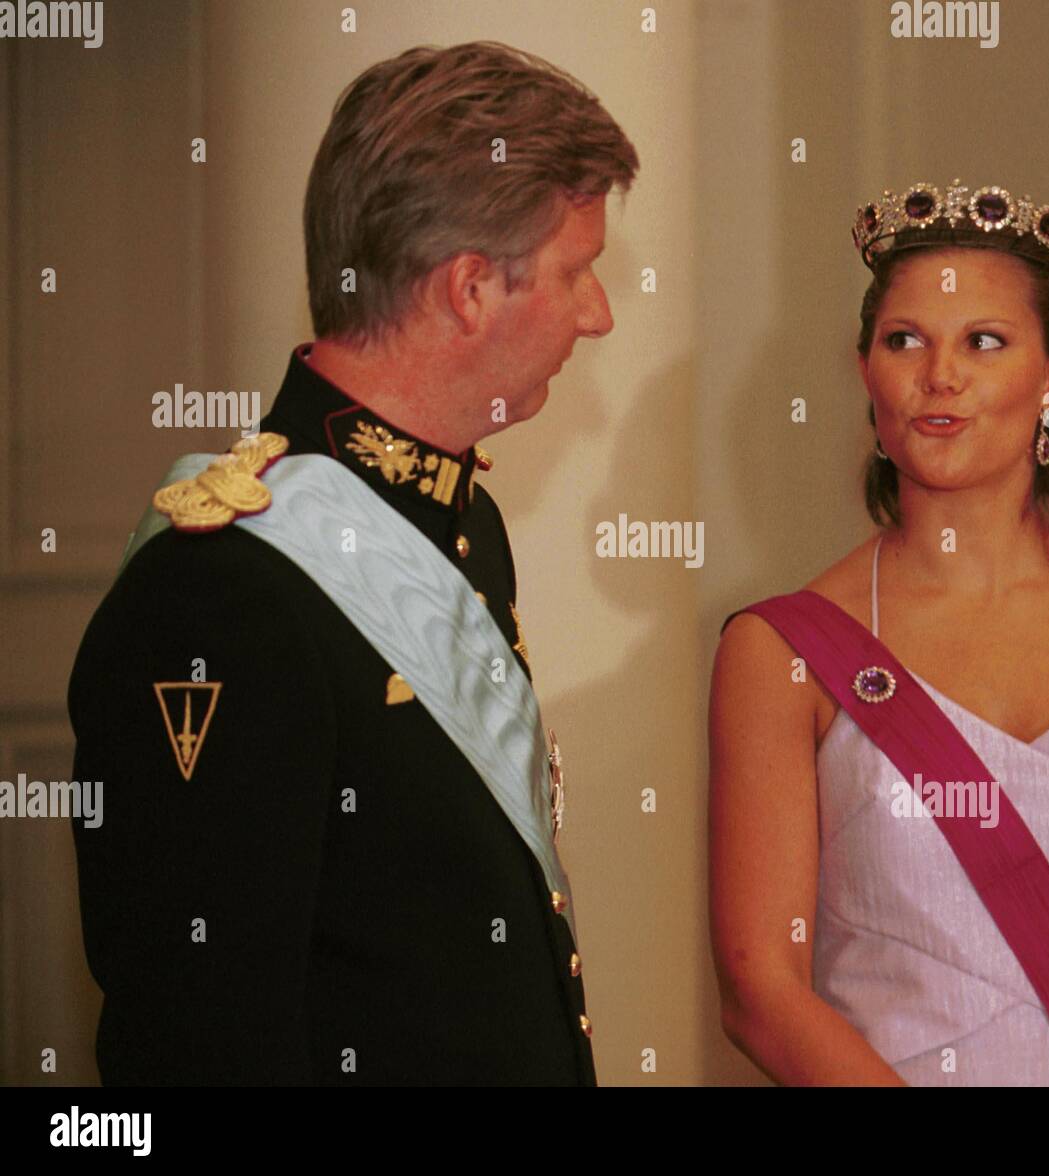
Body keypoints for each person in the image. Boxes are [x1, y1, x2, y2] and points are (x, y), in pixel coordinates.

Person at [67, 41, 638, 1085]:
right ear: (470, 288)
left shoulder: (464, 521)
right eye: (575, 271)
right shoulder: (222, 591)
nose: (596, 313)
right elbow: (196, 1039)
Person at [708, 179, 1049, 1086]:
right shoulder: (784, 653)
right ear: (865, 371)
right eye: (905, 341)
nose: (941, 376)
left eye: (985, 342)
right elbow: (760, 986)